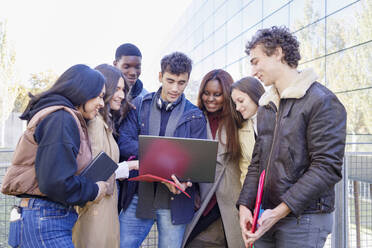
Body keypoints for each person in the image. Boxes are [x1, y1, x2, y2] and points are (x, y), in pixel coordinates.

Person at [237, 26, 347, 248]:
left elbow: (326, 167)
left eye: (256, 61)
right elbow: (257, 164)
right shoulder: (267, 106)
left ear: (278, 53)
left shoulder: (322, 101)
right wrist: (244, 207)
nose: (252, 71)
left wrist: (279, 211)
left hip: (304, 217)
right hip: (267, 216)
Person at [1, 64, 109, 248]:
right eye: (99, 95)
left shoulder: (59, 116)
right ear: (82, 91)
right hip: (46, 221)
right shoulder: (61, 119)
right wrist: (94, 189)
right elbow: (56, 182)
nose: (102, 103)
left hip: (42, 218)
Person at [117, 52, 207, 248]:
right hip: (139, 198)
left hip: (176, 201)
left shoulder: (196, 116)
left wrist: (186, 180)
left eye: (182, 82)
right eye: (170, 80)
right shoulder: (139, 106)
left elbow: (198, 161)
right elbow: (124, 143)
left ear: (188, 80)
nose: (175, 88)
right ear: (160, 76)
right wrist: (166, 160)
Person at [72, 64, 138, 248]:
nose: (122, 95)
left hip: (104, 209)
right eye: (117, 89)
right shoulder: (94, 124)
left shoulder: (104, 123)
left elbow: (104, 168)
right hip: (93, 213)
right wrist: (130, 166)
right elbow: (93, 174)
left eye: (123, 90)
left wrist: (131, 166)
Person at [182, 69, 244, 248]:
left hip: (231, 203)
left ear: (227, 95)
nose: (210, 99)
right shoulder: (195, 118)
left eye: (217, 94)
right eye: (206, 93)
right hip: (203, 202)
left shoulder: (238, 121)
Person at [230, 77, 265, 186]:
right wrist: (246, 201)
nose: (237, 108)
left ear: (255, 94)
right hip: (259, 196)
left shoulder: (279, 120)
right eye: (235, 103)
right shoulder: (242, 131)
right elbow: (245, 170)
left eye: (240, 101)